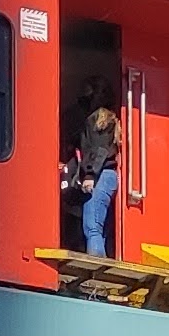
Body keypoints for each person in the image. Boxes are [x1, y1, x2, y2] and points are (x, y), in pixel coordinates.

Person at [65, 102, 124, 258]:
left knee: (92, 227)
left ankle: (97, 265)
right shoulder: (112, 125)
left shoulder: (97, 120)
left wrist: (90, 175)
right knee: (100, 228)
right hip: (108, 176)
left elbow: (98, 151)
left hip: (99, 176)